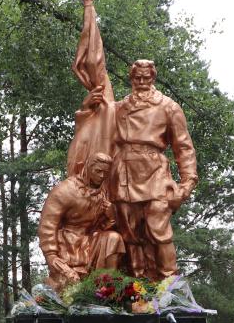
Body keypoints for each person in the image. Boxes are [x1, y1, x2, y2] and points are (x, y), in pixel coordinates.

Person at [105, 59, 197, 280]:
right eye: (137, 78)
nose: (141, 82)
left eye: (146, 77)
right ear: (131, 79)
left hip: (155, 172)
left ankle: (170, 285)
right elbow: (97, 130)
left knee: (158, 229)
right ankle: (138, 285)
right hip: (123, 172)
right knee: (129, 233)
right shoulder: (119, 108)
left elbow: (183, 147)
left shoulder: (168, 107)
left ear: (153, 78)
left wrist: (187, 183)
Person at [38, 152, 126, 290]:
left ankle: (108, 289)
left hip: (90, 242)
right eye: (98, 171)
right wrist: (51, 255)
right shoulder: (65, 190)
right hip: (68, 246)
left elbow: (101, 227)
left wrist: (111, 216)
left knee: (114, 238)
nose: (102, 176)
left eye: (105, 173)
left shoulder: (102, 193)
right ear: (88, 167)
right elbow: (48, 225)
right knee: (68, 286)